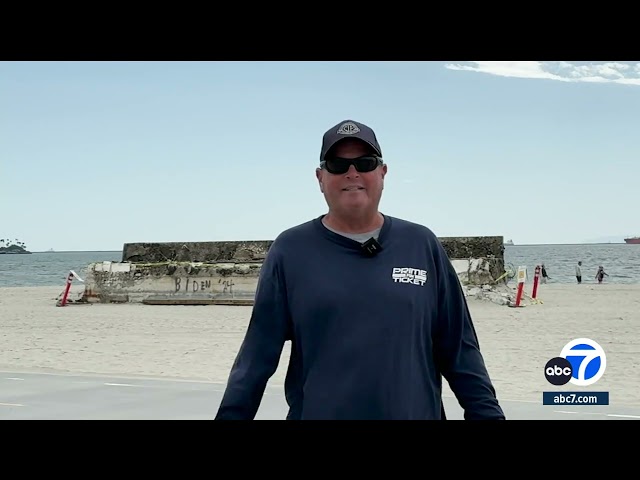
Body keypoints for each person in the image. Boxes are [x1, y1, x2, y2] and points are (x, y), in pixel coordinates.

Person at [214, 119, 505, 420]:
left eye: (365, 163)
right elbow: (255, 358)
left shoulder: (421, 244)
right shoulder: (290, 250)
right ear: (320, 178)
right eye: (337, 164)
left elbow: (460, 350)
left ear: (382, 173)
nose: (352, 173)